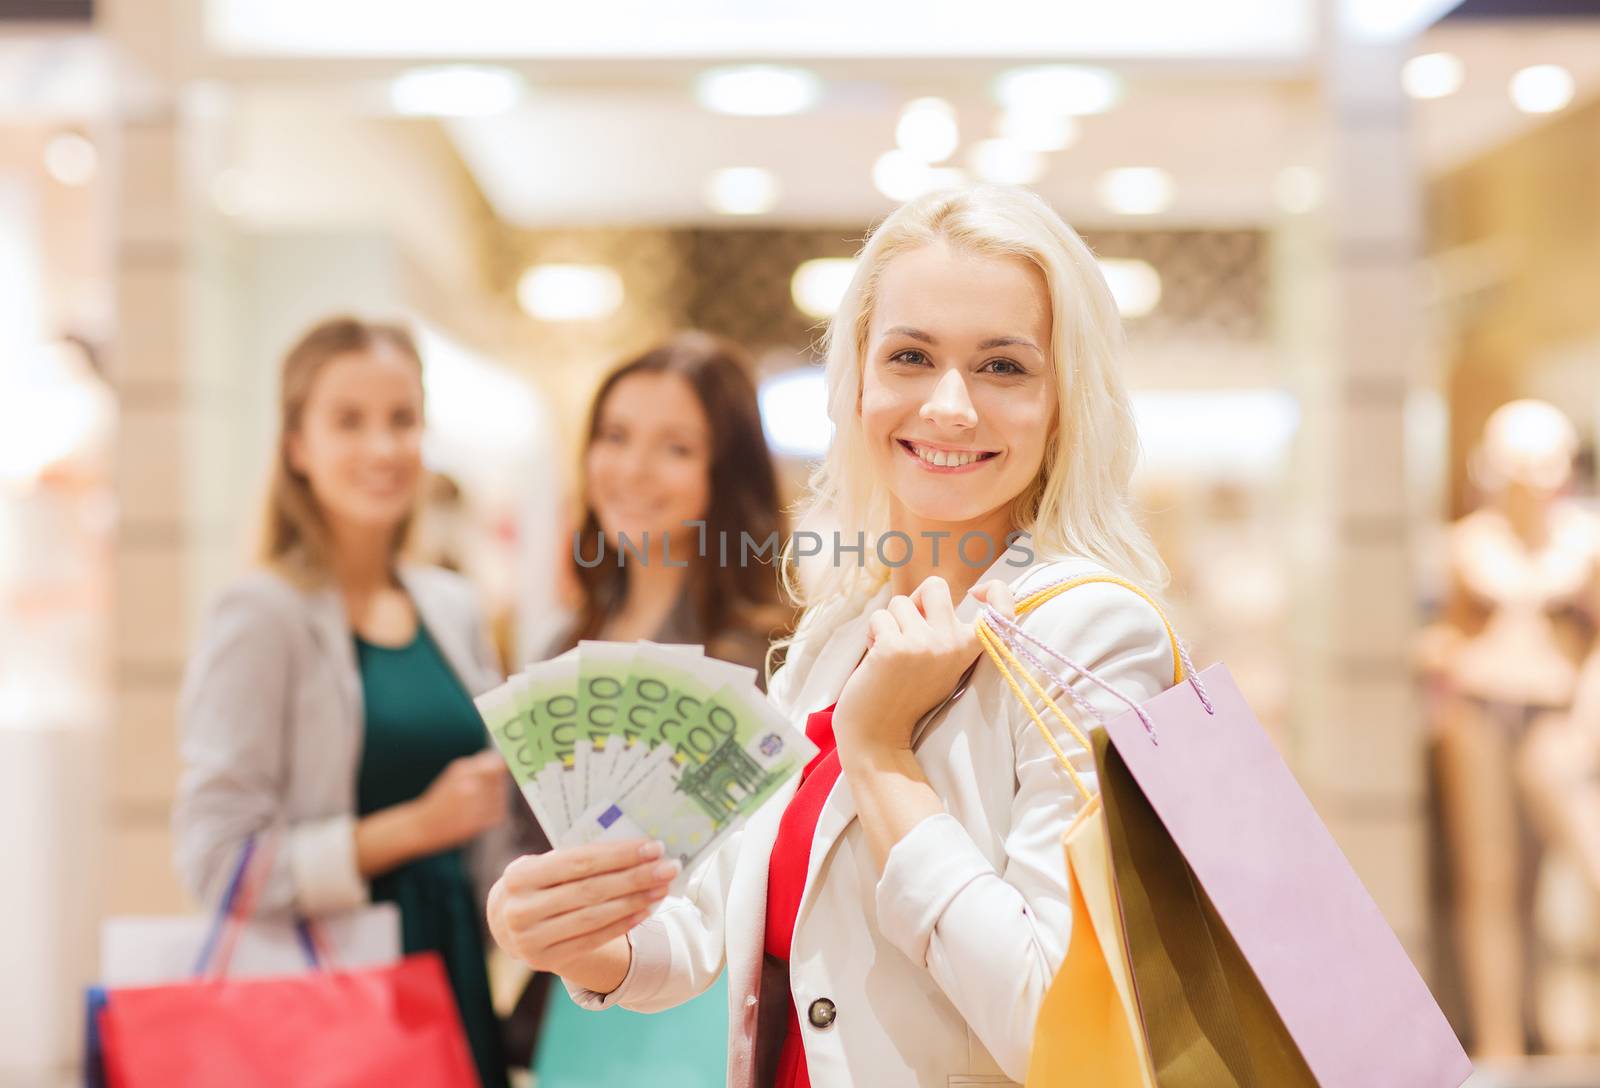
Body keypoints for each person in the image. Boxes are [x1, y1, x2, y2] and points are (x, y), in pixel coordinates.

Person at [486, 185, 1178, 1086]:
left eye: (1004, 367)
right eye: (911, 356)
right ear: (857, 380)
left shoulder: (1091, 634)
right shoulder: (833, 635)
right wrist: (582, 941)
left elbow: (1057, 1025)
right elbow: (708, 926)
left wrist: (881, 752)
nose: (950, 406)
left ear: (1063, 401)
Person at [172, 316, 513, 1088]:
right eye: (349, 422)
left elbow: (495, 820)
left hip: (453, 967)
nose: (383, 448)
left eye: (403, 419)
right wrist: (413, 828)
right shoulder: (261, 615)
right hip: (324, 993)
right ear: (297, 445)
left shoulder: (452, 609)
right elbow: (217, 862)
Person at [520, 331, 793, 1086]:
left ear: (724, 472)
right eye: (614, 437)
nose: (632, 470)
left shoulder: (774, 656)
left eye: (675, 447)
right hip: (582, 1000)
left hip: (710, 999)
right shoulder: (559, 645)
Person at [1419, 399, 1600, 1056]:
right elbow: (1440, 634)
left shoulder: (1584, 542)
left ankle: (1562, 1030)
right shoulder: (1469, 544)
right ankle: (1500, 1042)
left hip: (1560, 719)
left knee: (1574, 872)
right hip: (1481, 713)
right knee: (1489, 880)